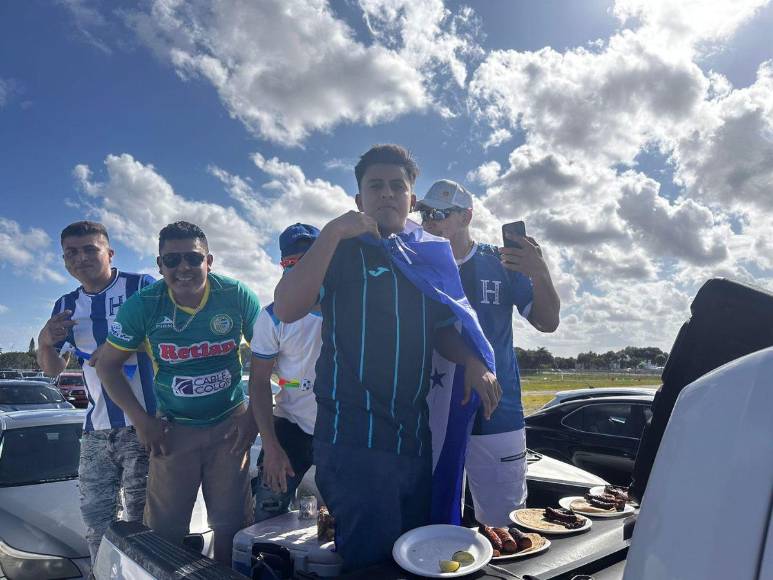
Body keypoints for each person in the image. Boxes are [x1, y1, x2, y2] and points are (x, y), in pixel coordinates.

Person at [272, 144, 502, 571]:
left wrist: (473, 360)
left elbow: (443, 331)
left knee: (415, 556)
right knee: (369, 564)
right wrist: (331, 233)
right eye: (375, 185)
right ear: (358, 200)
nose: (387, 193)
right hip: (354, 438)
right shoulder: (340, 251)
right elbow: (287, 307)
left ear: (412, 200)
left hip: (413, 438)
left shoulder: (427, 257)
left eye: (398, 186)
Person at [95, 221, 260, 564]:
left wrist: (253, 417)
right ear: (159, 266)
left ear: (208, 260)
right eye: (172, 260)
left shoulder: (235, 295)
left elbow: (266, 358)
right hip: (173, 430)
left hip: (230, 427)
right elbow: (106, 365)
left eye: (192, 258)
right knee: (164, 532)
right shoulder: (145, 304)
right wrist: (141, 420)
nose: (183, 267)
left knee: (232, 526)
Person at [418, 179, 560, 527]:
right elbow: (437, 332)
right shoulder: (418, 263)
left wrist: (540, 272)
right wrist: (471, 361)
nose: (429, 222)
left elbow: (547, 321)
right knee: (434, 517)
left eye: (439, 213)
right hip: (434, 407)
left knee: (506, 523)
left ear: (466, 217)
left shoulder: (499, 262)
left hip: (499, 408)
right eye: (424, 214)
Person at [37, 220, 156, 564]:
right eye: (71, 252)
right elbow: (52, 369)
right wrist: (45, 340)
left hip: (144, 424)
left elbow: (170, 338)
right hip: (96, 432)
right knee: (96, 522)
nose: (81, 258)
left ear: (109, 252)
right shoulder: (65, 304)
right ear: (64, 260)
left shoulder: (142, 287)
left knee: (142, 525)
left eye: (90, 248)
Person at [250, 223, 322, 521]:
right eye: (293, 263)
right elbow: (257, 383)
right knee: (268, 506)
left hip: (343, 428)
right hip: (291, 426)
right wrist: (271, 445)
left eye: (311, 261)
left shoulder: (352, 309)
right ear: (282, 266)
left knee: (353, 513)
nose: (301, 270)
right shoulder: (271, 317)